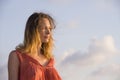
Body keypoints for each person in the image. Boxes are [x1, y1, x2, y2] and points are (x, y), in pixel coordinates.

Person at [8, 12, 62, 80]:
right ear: (33, 30)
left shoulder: (50, 59)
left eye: (50, 29)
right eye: (44, 28)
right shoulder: (16, 56)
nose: (48, 32)